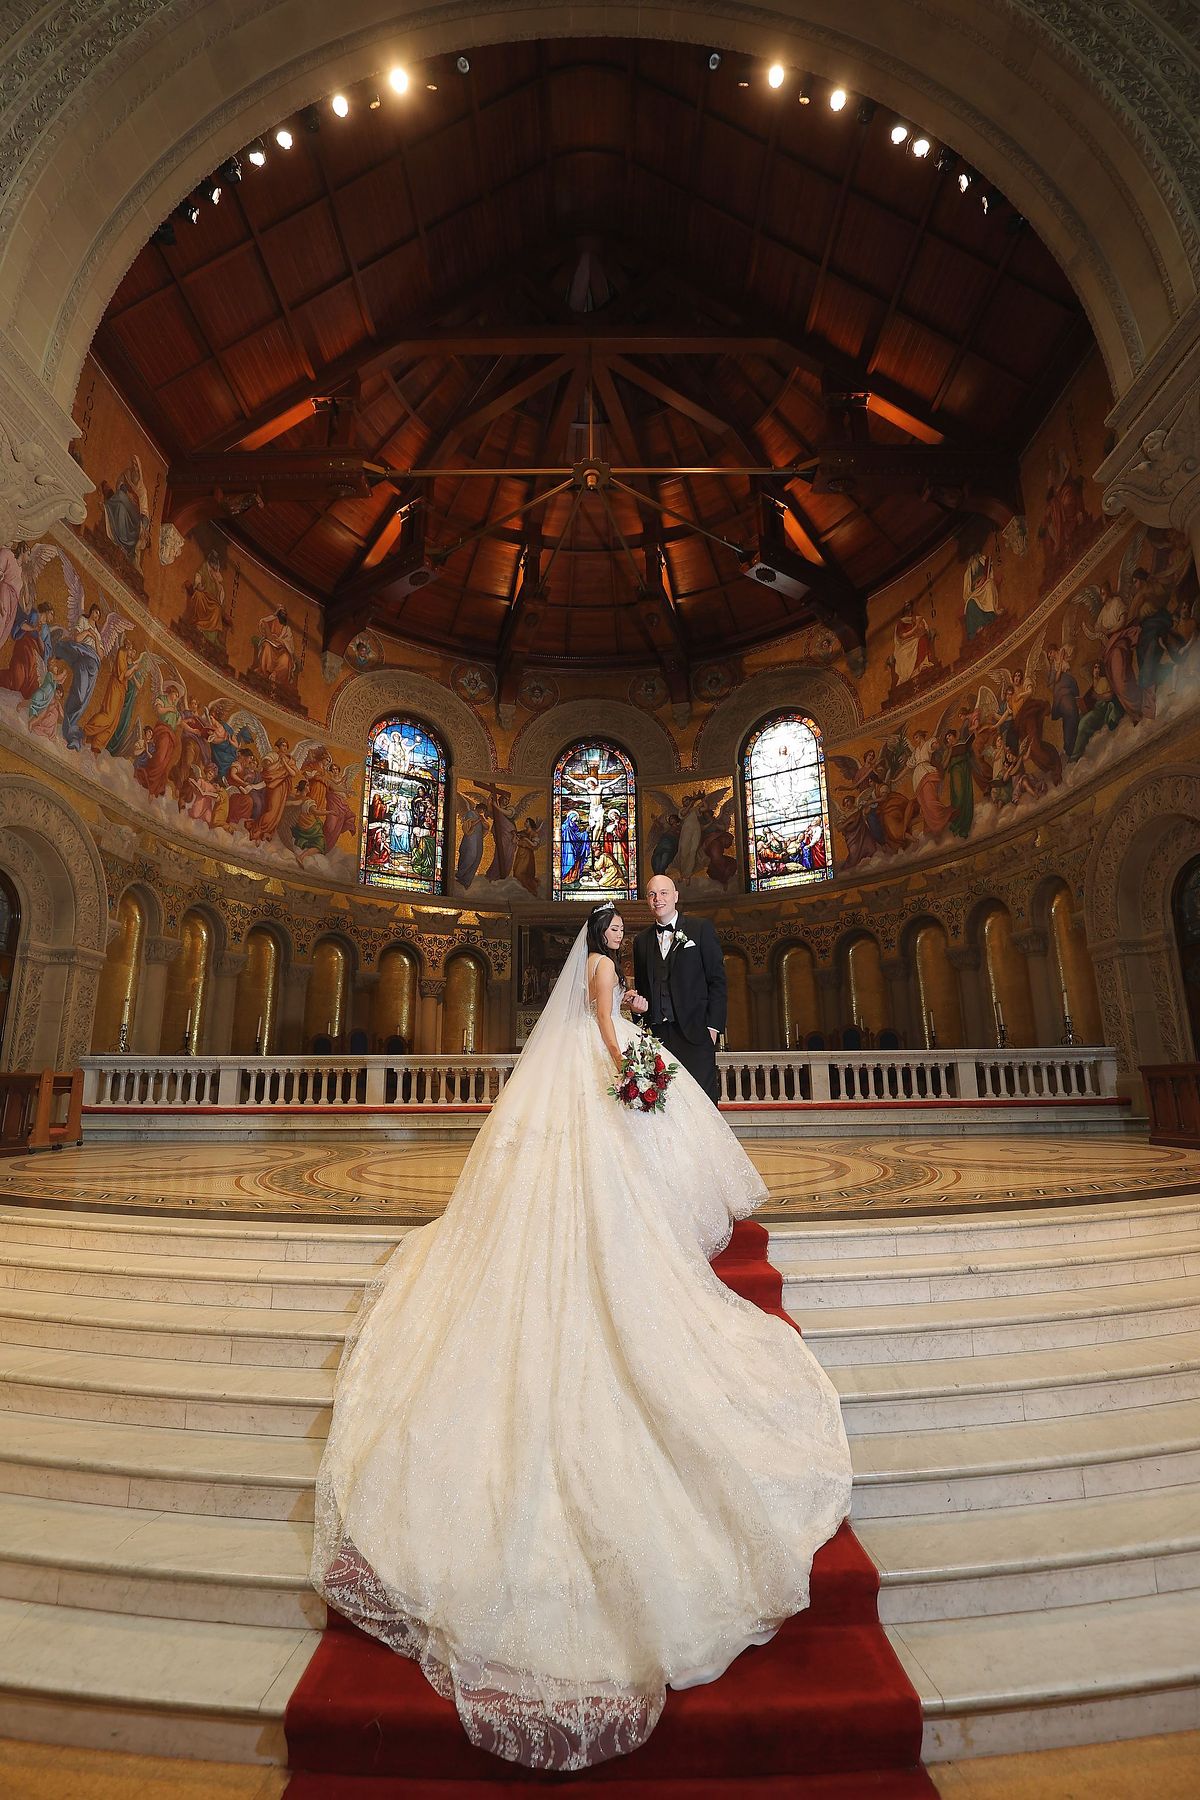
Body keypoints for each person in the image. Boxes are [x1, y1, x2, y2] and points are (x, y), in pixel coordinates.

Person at [311, 901, 851, 1773]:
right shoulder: (602, 975)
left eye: (618, 930)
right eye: (609, 929)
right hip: (605, 1074)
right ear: (595, 939)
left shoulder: (613, 967)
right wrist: (632, 1071)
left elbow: (616, 1010)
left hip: (602, 1069)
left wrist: (638, 1026)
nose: (614, 937)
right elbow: (602, 1023)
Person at [631, 874, 727, 1103]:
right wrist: (639, 1014)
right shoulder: (641, 941)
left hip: (696, 1033)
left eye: (663, 893)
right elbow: (643, 989)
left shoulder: (700, 929)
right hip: (658, 1037)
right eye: (652, 894)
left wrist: (713, 1027)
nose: (658, 899)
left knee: (701, 1104)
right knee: (667, 1105)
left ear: (676, 896)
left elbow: (718, 981)